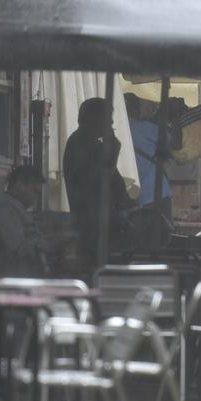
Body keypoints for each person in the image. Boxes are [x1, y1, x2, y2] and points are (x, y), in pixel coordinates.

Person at [62, 97, 134, 271]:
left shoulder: (92, 143)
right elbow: (96, 181)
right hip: (93, 224)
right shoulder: (80, 143)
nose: (111, 122)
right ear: (93, 118)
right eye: (107, 116)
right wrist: (113, 154)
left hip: (103, 221)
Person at [0, 164, 48, 280]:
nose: (35, 198)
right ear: (19, 186)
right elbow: (18, 250)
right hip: (8, 283)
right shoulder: (5, 209)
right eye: (34, 191)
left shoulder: (16, 207)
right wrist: (44, 246)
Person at [125, 93, 173, 220]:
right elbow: (174, 142)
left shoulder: (114, 131)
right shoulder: (143, 127)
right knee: (164, 233)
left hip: (132, 197)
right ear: (136, 109)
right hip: (157, 192)